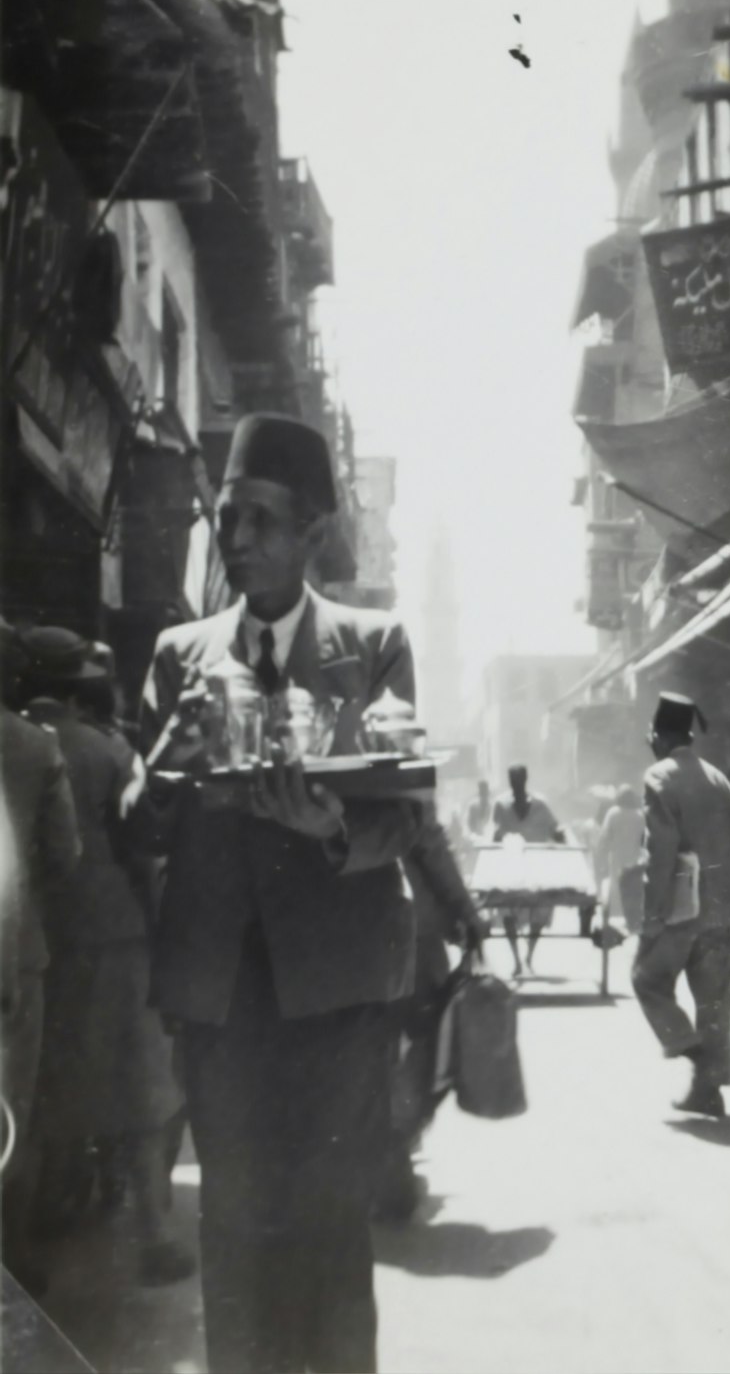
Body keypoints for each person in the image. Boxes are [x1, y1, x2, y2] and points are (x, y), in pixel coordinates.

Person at [140, 413, 423, 1374]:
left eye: (261, 520)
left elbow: (406, 812)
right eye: (227, 520)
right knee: (234, 1230)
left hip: (338, 998)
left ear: (311, 534)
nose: (240, 542)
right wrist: (166, 756)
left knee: (332, 1232)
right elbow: (133, 832)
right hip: (222, 1002)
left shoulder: (373, 646)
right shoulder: (180, 657)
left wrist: (331, 829)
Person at [20, 627, 193, 1286]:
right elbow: (146, 856)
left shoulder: (23, 740)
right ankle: (154, 1235)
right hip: (117, 939)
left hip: (40, 942)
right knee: (142, 1091)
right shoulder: (110, 750)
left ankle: (26, 1239)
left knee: (41, 1091)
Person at [0, 620, 81, 1296]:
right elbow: (66, 856)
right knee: (12, 1109)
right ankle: (12, 1255)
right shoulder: (34, 747)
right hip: (14, 956)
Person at [631, 693, 730, 1119]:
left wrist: (652, 918)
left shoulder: (659, 777)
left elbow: (660, 855)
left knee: (647, 980)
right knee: (714, 999)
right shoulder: (719, 778)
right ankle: (709, 1089)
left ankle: (687, 1045)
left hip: (680, 908)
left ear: (659, 737)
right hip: (722, 905)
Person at [375, 811, 486, 1222]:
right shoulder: (396, 777)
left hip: (342, 941)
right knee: (424, 1044)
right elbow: (431, 846)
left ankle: (385, 1151)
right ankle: (395, 1146)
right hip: (411, 933)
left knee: (368, 1052)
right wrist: (466, 913)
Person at [492, 764, 565, 977]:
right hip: (510, 867)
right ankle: (515, 959)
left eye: (519, 779)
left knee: (540, 910)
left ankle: (530, 955)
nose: (515, 784)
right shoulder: (500, 805)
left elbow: (555, 828)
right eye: (512, 780)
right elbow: (495, 833)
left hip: (537, 867)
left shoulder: (541, 805)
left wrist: (561, 835)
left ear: (525, 780)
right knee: (506, 912)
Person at [594, 785, 645, 936]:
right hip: (634, 856)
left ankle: (616, 914)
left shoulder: (613, 813)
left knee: (615, 883)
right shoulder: (639, 815)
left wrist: (601, 854)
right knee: (633, 887)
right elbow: (644, 838)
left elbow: (605, 835)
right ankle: (631, 919)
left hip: (617, 855)